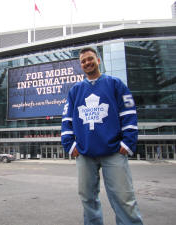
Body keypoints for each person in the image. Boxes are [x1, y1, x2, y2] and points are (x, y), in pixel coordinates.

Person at [61, 47, 143, 225]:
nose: (87, 63)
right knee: (87, 199)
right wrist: (70, 145)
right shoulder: (75, 91)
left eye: (90, 59)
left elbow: (129, 113)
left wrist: (128, 142)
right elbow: (66, 119)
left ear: (98, 60)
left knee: (124, 199)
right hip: (84, 153)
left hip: (113, 151)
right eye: (83, 61)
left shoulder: (115, 84)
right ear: (80, 65)